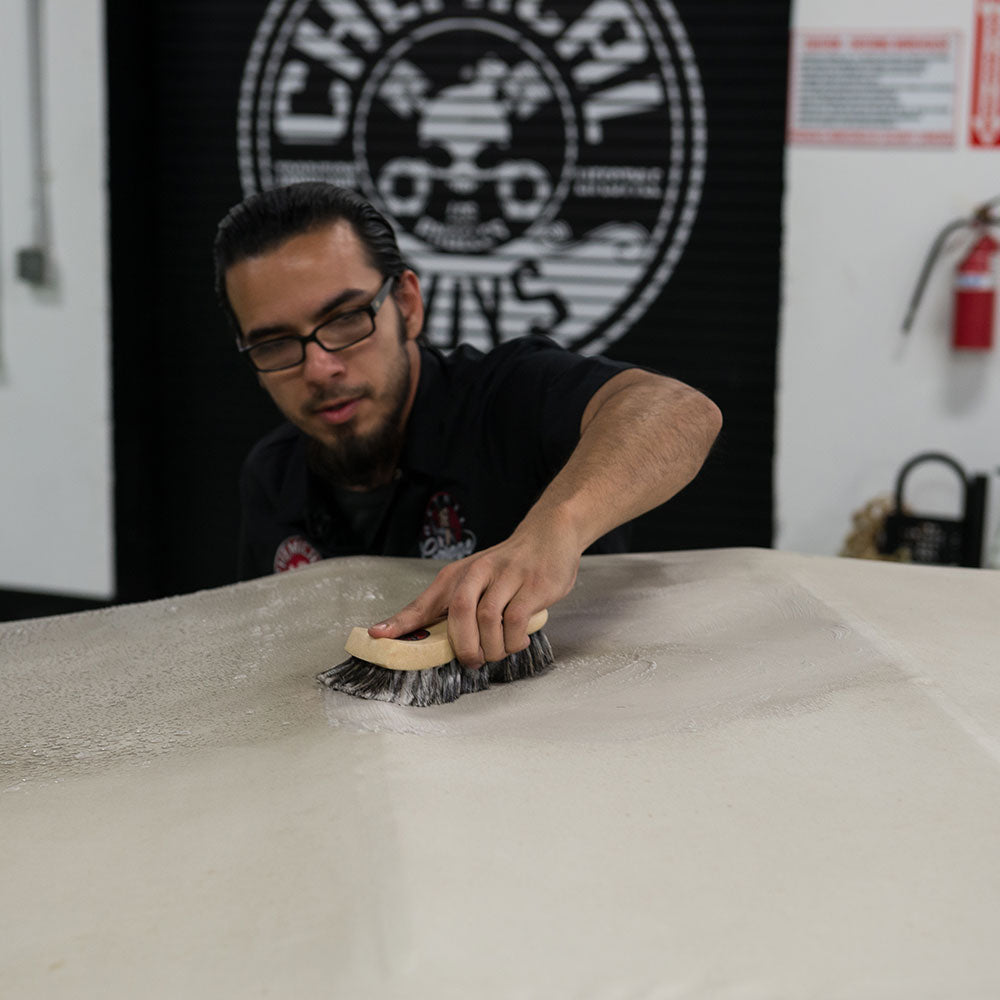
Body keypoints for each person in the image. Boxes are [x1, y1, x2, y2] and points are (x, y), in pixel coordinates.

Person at [214, 183, 722, 669]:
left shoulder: (506, 398)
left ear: (407, 305)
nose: (319, 368)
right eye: (274, 344)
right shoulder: (270, 477)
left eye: (346, 318)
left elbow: (680, 411)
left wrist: (557, 527)